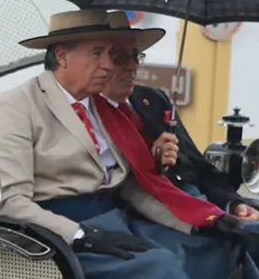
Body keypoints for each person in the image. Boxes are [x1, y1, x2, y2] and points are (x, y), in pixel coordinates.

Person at [0, 8, 259, 279]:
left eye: (111, 55)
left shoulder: (103, 109)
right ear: (62, 55)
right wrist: (81, 234)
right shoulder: (17, 106)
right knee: (156, 268)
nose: (108, 64)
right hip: (59, 235)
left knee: (210, 253)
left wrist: (197, 224)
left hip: (117, 220)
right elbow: (9, 201)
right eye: (98, 53)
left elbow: (131, 187)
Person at [99, 12, 257, 219]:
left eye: (135, 56)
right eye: (119, 57)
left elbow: (198, 165)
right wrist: (155, 162)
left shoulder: (152, 99)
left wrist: (233, 203)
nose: (132, 67)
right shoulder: (90, 112)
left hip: (200, 201)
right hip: (157, 216)